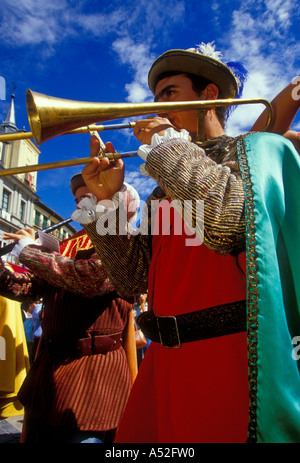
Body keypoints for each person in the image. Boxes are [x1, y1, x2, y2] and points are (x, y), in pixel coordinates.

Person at [75, 43, 300, 443]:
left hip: (233, 366)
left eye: (169, 94)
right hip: (165, 368)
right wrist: (106, 203)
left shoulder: (252, 153)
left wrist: (169, 147)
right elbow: (131, 279)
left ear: (210, 96)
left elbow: (227, 223)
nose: (157, 107)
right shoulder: (164, 189)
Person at [0, 173, 139, 443]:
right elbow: (31, 288)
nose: (79, 206)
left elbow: (92, 279)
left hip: (93, 378)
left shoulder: (124, 236)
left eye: (88, 197)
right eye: (77, 200)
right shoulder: (68, 243)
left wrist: (30, 252)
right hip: (49, 376)